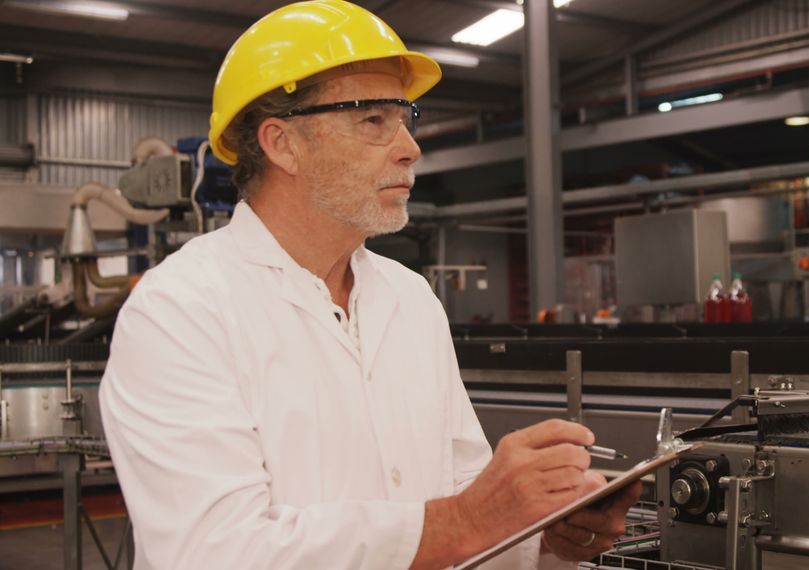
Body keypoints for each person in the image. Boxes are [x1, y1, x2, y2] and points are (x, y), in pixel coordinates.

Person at [98, 1, 640, 568]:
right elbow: (213, 552)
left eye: (406, 119)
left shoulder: (409, 300)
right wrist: (470, 519)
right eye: (373, 120)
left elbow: (462, 491)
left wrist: (543, 537)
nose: (409, 147)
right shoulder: (179, 310)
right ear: (283, 144)